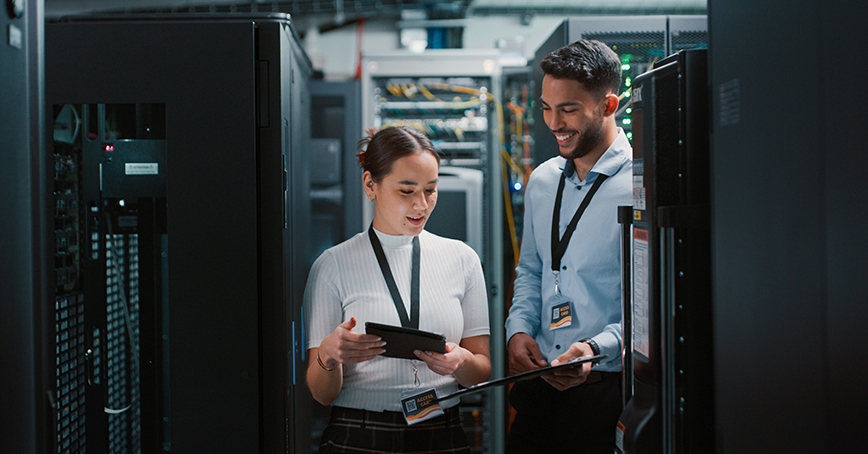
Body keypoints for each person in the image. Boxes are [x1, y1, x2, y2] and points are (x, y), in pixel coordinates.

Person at [304, 126, 492, 454]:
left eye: (431, 190)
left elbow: (481, 371)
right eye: (406, 191)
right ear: (370, 185)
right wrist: (329, 355)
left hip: (440, 430)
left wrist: (461, 362)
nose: (421, 205)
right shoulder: (333, 265)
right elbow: (322, 394)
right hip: (359, 433)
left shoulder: (462, 259)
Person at [505, 39, 633, 454]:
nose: (553, 122)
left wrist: (596, 349)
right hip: (539, 393)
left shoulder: (640, 185)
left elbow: (649, 310)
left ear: (608, 105)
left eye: (568, 109)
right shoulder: (543, 181)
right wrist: (518, 330)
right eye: (546, 107)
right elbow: (532, 270)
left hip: (605, 393)